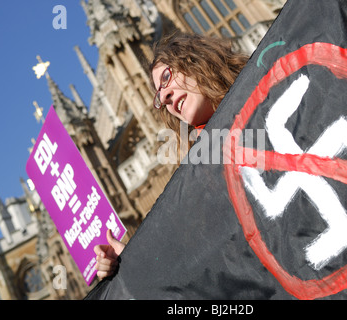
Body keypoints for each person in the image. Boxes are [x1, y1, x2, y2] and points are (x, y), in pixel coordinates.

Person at [94, 32, 248, 280]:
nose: (164, 96)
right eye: (158, 97)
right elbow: (198, 264)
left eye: (167, 77)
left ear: (197, 61)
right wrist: (131, 264)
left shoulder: (269, 80)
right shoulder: (196, 176)